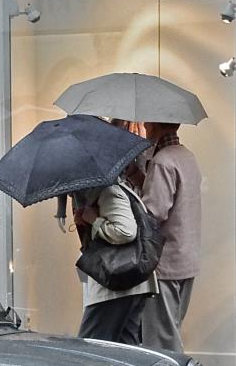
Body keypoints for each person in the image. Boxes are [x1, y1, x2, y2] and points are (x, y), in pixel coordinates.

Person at [140, 121, 202, 352]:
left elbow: (154, 212)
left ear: (154, 125)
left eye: (147, 122)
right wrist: (141, 178)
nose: (144, 126)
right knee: (173, 327)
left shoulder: (162, 162)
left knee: (161, 339)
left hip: (164, 262)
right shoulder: (187, 156)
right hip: (186, 258)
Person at [74, 181, 158, 344]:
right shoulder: (112, 189)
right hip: (131, 283)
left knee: (91, 345)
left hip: (116, 285)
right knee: (126, 347)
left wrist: (94, 220)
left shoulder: (109, 190)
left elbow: (125, 232)